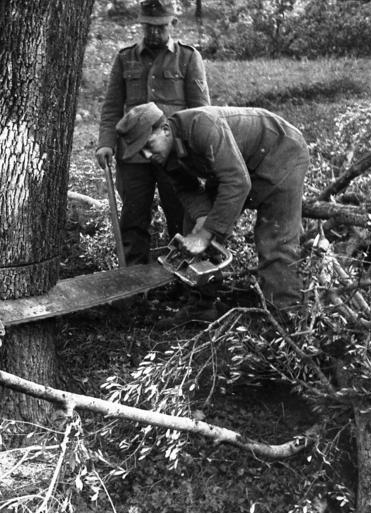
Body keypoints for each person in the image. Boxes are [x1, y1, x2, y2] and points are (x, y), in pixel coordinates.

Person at [117, 102, 309, 312]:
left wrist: (207, 232)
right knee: (193, 225)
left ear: (164, 130)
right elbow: (186, 188)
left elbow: (237, 183)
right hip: (239, 165)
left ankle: (284, 316)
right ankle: (203, 306)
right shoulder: (164, 150)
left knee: (275, 237)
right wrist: (202, 218)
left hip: (281, 152)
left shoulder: (203, 126)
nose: (146, 155)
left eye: (148, 146)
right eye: (140, 151)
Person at [95, 0, 210, 265]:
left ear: (173, 23)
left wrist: (197, 153)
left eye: (160, 27)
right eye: (148, 27)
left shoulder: (189, 57)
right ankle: (135, 284)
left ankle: (183, 275)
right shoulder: (125, 58)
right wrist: (106, 143)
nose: (154, 33)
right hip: (133, 156)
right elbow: (112, 106)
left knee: (179, 215)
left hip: (175, 153)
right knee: (134, 219)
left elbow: (202, 111)